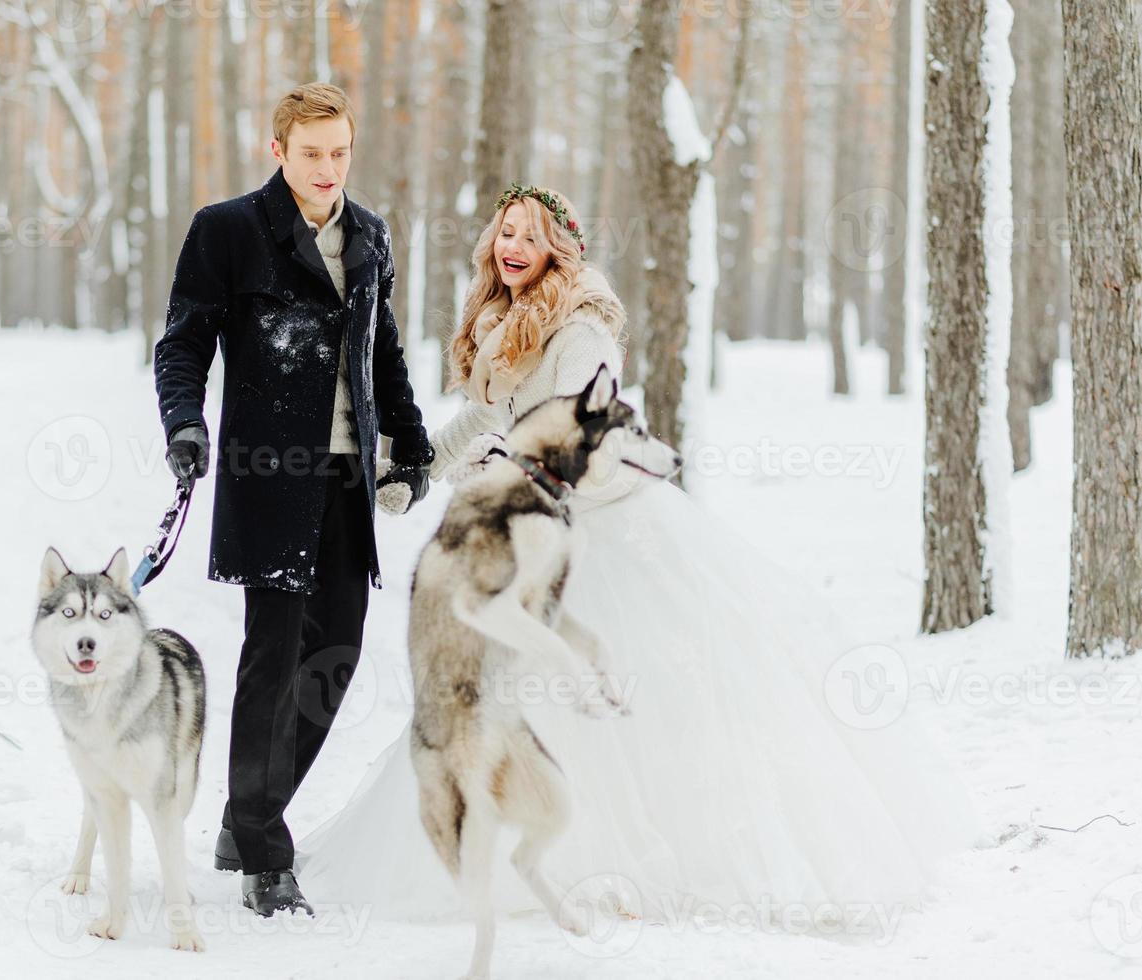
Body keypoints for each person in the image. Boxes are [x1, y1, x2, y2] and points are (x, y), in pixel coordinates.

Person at [298, 182, 980, 928]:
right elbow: (484, 419)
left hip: (598, 528)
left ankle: (623, 860)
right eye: (504, 233)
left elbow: (584, 444)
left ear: (559, 247)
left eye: (529, 235)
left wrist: (500, 473)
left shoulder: (581, 325)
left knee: (616, 688)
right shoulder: (507, 322)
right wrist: (418, 471)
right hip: (537, 523)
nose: (513, 247)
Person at [152, 82, 434, 917]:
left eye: (339, 152)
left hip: (346, 483)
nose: (327, 167)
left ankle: (247, 817)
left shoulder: (370, 236)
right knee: (271, 660)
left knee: (334, 659)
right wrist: (183, 426)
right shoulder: (229, 231)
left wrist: (411, 446)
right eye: (311, 153)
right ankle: (264, 852)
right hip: (269, 474)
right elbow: (182, 345)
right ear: (278, 151)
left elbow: (384, 353)